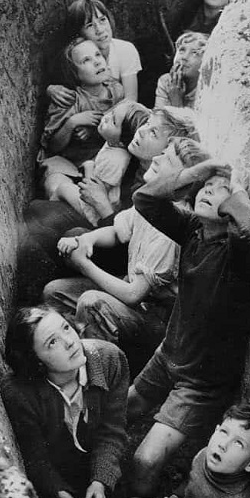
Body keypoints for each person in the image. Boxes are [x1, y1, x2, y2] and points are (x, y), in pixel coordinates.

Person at [128, 160, 250, 498]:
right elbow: (145, 199)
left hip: (201, 382)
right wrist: (196, 172)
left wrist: (237, 187)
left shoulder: (237, 254)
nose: (208, 191)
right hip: (168, 355)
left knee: (146, 461)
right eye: (207, 186)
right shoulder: (193, 229)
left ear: (235, 207)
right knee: (123, 408)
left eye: (221, 190)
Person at [42, 138, 209, 378]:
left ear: (181, 182)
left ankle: (97, 376)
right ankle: (70, 355)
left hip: (154, 320)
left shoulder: (170, 229)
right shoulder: (151, 202)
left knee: (92, 303)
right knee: (54, 293)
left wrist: (84, 264)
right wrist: (88, 239)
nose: (157, 158)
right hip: (131, 301)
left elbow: (134, 294)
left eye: (168, 159)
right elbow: (118, 231)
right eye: (162, 152)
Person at [1, 305, 128, 498]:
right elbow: (37, 460)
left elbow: (112, 432)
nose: (69, 342)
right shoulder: (19, 392)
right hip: (56, 481)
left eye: (66, 328)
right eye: (52, 342)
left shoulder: (109, 359)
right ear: (36, 361)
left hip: (96, 466)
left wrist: (100, 481)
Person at [38, 37, 125, 199]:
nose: (97, 62)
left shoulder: (116, 90)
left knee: (115, 169)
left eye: (98, 55)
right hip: (67, 162)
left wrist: (95, 129)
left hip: (99, 160)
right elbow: (52, 147)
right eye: (86, 60)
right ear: (74, 73)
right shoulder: (69, 100)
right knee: (55, 184)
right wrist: (72, 123)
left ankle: (95, 204)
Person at [51, 99, 135, 220]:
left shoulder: (115, 159)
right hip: (94, 197)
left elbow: (95, 191)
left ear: (122, 142)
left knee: (63, 188)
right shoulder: (112, 143)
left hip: (94, 210)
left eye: (114, 122)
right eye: (111, 113)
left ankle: (49, 215)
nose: (106, 118)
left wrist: (89, 166)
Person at [154, 32, 209, 110]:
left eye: (194, 53)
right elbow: (159, 116)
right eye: (182, 50)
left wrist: (176, 101)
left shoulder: (208, 88)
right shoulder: (166, 81)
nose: (184, 57)